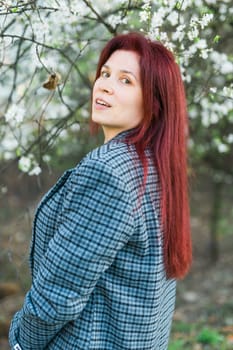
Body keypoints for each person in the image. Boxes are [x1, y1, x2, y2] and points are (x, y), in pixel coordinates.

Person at [9, 32, 192, 350]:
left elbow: (58, 292)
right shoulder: (155, 165)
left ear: (154, 101)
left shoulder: (107, 172)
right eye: (105, 74)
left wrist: (23, 342)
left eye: (126, 81)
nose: (105, 85)